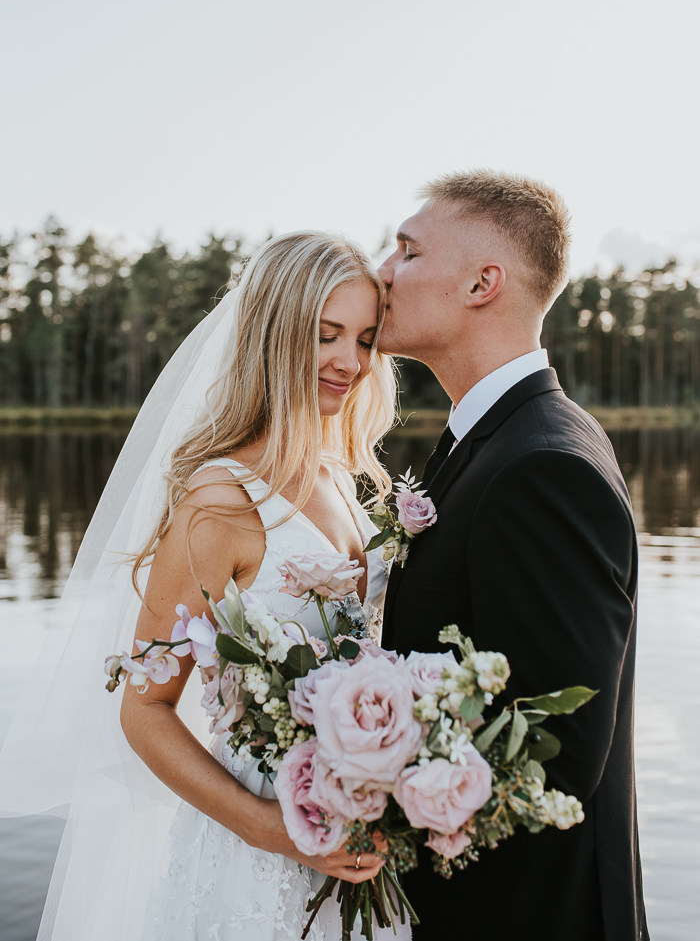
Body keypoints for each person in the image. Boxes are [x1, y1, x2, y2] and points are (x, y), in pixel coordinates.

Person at [0, 231, 405, 941]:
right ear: (276, 335)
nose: (352, 362)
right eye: (328, 335)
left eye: (367, 340)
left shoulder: (342, 478)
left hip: (358, 848)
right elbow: (146, 710)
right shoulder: (220, 501)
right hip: (255, 855)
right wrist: (273, 830)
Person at [378, 171, 649, 941]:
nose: (383, 270)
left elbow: (551, 762)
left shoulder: (541, 467)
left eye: (406, 249)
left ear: (481, 282)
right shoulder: (497, 439)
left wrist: (348, 771)